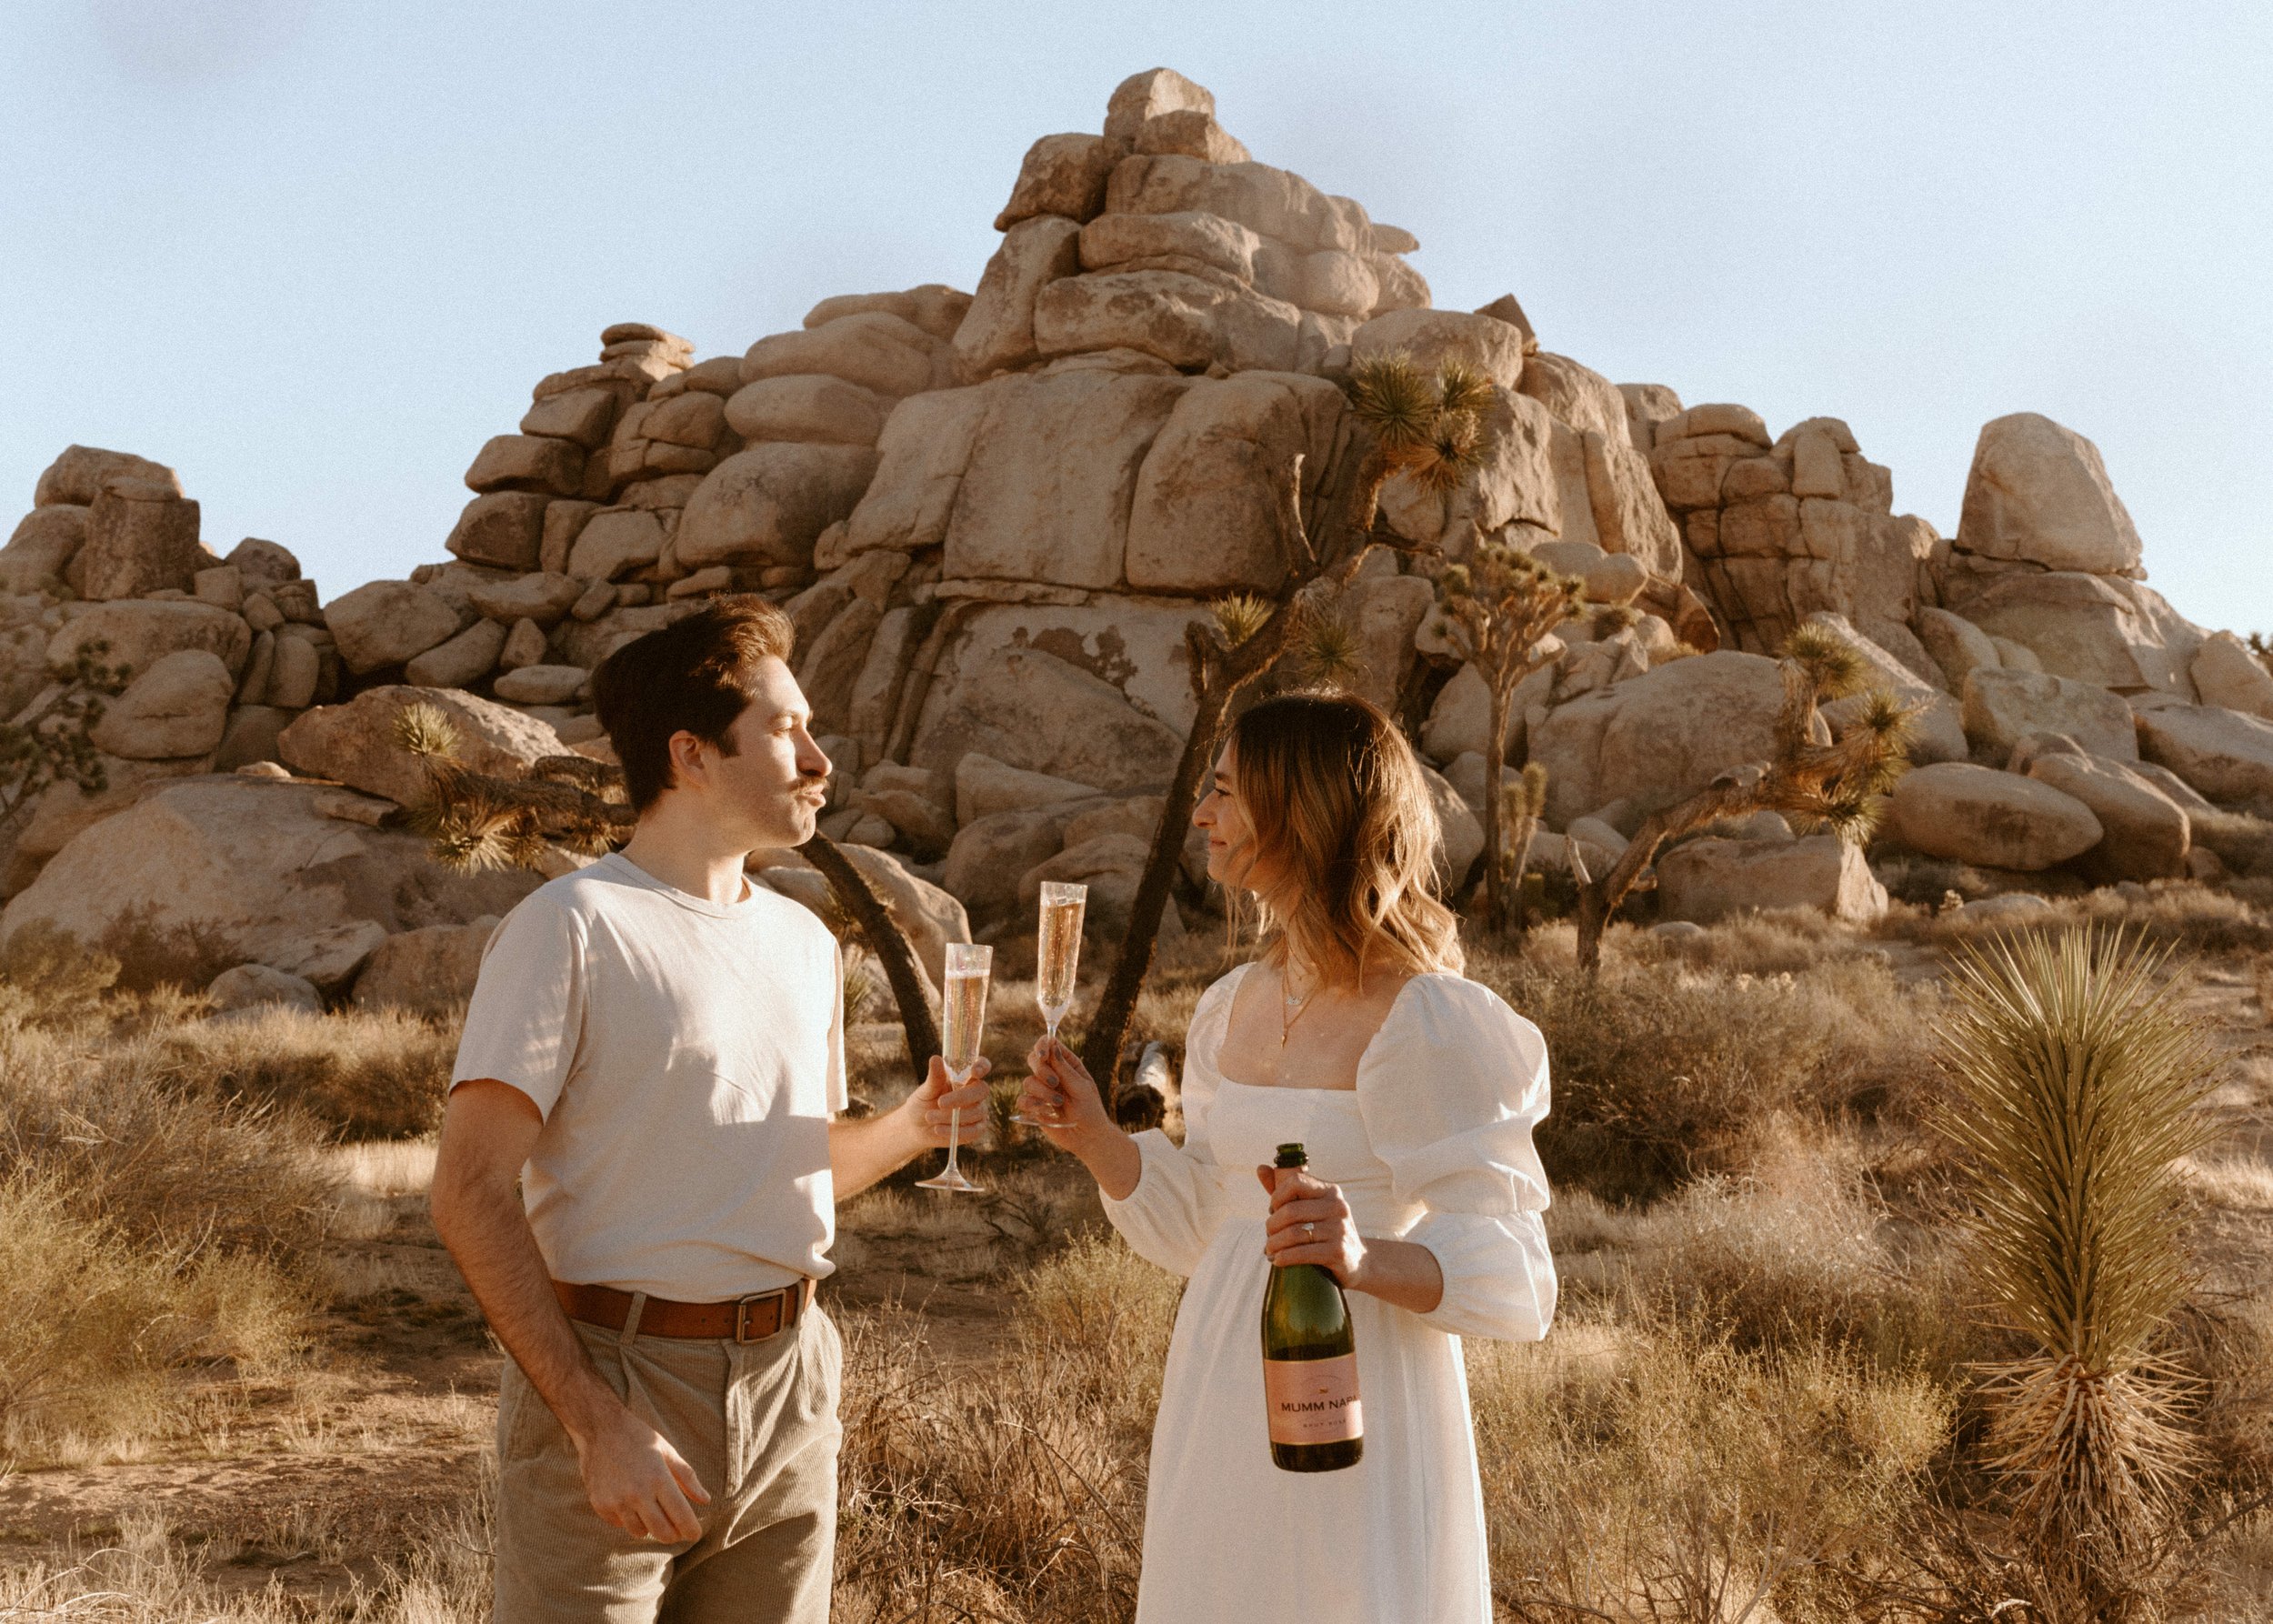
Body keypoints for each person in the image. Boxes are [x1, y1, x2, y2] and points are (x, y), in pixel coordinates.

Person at [429, 596, 988, 1624]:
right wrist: (597, 1422)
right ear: (690, 755)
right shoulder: (571, 927)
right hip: (618, 1377)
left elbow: (798, 1161)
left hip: (791, 1380)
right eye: (784, 730)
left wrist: (913, 1127)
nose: (819, 759)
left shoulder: (804, 941)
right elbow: (467, 1193)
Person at [1023, 690, 1557, 1623]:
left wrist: (1360, 1259)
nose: (1201, 814)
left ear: (1298, 810)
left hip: (1364, 1403)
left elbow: (1520, 1278)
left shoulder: (1428, 1018)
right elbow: (1214, 1222)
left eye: (1225, 791)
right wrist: (1098, 1140)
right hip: (1219, 1387)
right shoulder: (1229, 1001)